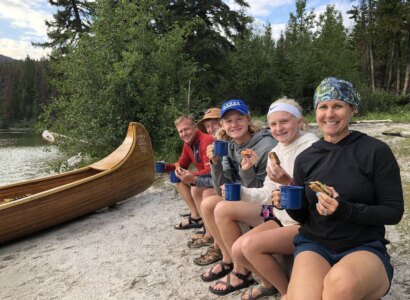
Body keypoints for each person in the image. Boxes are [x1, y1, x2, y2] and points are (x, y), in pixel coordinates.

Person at [280, 77, 404, 300]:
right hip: (315, 244)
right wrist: (288, 201)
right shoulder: (306, 158)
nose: (329, 114)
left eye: (338, 106)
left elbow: (393, 212)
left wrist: (344, 209)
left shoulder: (375, 151)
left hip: (363, 245)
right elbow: (302, 217)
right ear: (315, 112)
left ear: (352, 109)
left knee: (338, 287)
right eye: (323, 107)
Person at [208, 99, 318, 297]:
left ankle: (287, 293)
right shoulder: (276, 151)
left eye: (284, 121)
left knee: (249, 245)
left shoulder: (311, 148)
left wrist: (286, 182)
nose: (278, 128)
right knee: (238, 248)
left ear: (299, 121)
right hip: (280, 215)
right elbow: (267, 191)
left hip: (304, 222)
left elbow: (316, 193)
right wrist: (241, 192)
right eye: (273, 124)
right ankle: (275, 285)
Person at [194, 99, 276, 283]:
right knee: (208, 203)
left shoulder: (266, 146)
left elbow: (263, 194)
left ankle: (242, 271)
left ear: (248, 120)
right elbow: (220, 189)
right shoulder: (229, 146)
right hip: (247, 200)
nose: (234, 124)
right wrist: (215, 163)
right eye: (229, 121)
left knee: (223, 209)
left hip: (270, 208)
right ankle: (228, 258)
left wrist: (247, 171)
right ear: (222, 125)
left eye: (239, 118)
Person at [165, 115, 216, 230]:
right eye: (181, 131)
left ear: (195, 127)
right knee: (177, 178)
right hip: (208, 177)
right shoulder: (188, 144)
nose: (184, 134)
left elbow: (210, 171)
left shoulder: (206, 140)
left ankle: (207, 228)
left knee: (195, 186)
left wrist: (191, 175)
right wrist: (164, 167)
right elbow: (181, 164)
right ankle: (196, 215)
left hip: (214, 179)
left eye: (186, 129)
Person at [186, 108, 222, 249]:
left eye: (215, 123)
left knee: (205, 192)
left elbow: (214, 173)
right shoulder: (215, 143)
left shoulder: (218, 143)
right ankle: (209, 232)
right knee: (195, 188)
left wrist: (194, 177)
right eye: (207, 126)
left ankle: (218, 245)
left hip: (239, 190)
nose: (211, 128)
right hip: (225, 184)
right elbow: (215, 173)